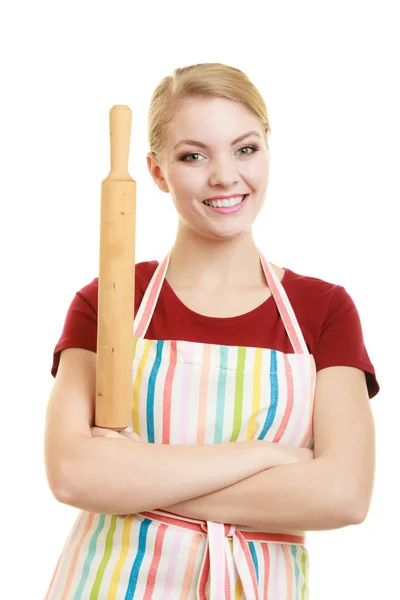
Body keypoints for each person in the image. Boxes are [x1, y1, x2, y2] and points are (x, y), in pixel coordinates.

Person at [44, 62, 379, 600]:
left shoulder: (324, 310)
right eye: (193, 155)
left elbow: (343, 495)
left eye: (245, 149)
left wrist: (131, 480)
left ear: (268, 151)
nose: (224, 175)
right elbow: (71, 477)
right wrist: (265, 456)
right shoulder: (108, 300)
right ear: (156, 171)